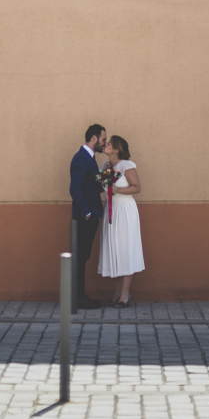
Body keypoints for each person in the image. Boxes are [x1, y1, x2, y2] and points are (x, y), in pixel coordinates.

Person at [98, 134, 144, 307]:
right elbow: (101, 187)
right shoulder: (105, 166)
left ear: (116, 149)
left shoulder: (126, 165)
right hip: (111, 212)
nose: (105, 145)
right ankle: (116, 292)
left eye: (108, 143)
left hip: (125, 212)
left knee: (126, 250)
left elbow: (137, 187)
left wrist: (118, 190)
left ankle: (125, 294)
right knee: (114, 251)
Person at [69, 124, 106, 309]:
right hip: (85, 217)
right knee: (80, 257)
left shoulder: (89, 159)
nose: (104, 143)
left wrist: (111, 175)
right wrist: (88, 213)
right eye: (103, 140)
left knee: (82, 256)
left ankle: (79, 296)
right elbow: (74, 189)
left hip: (90, 215)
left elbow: (93, 186)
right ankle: (78, 297)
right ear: (94, 138)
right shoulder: (82, 158)